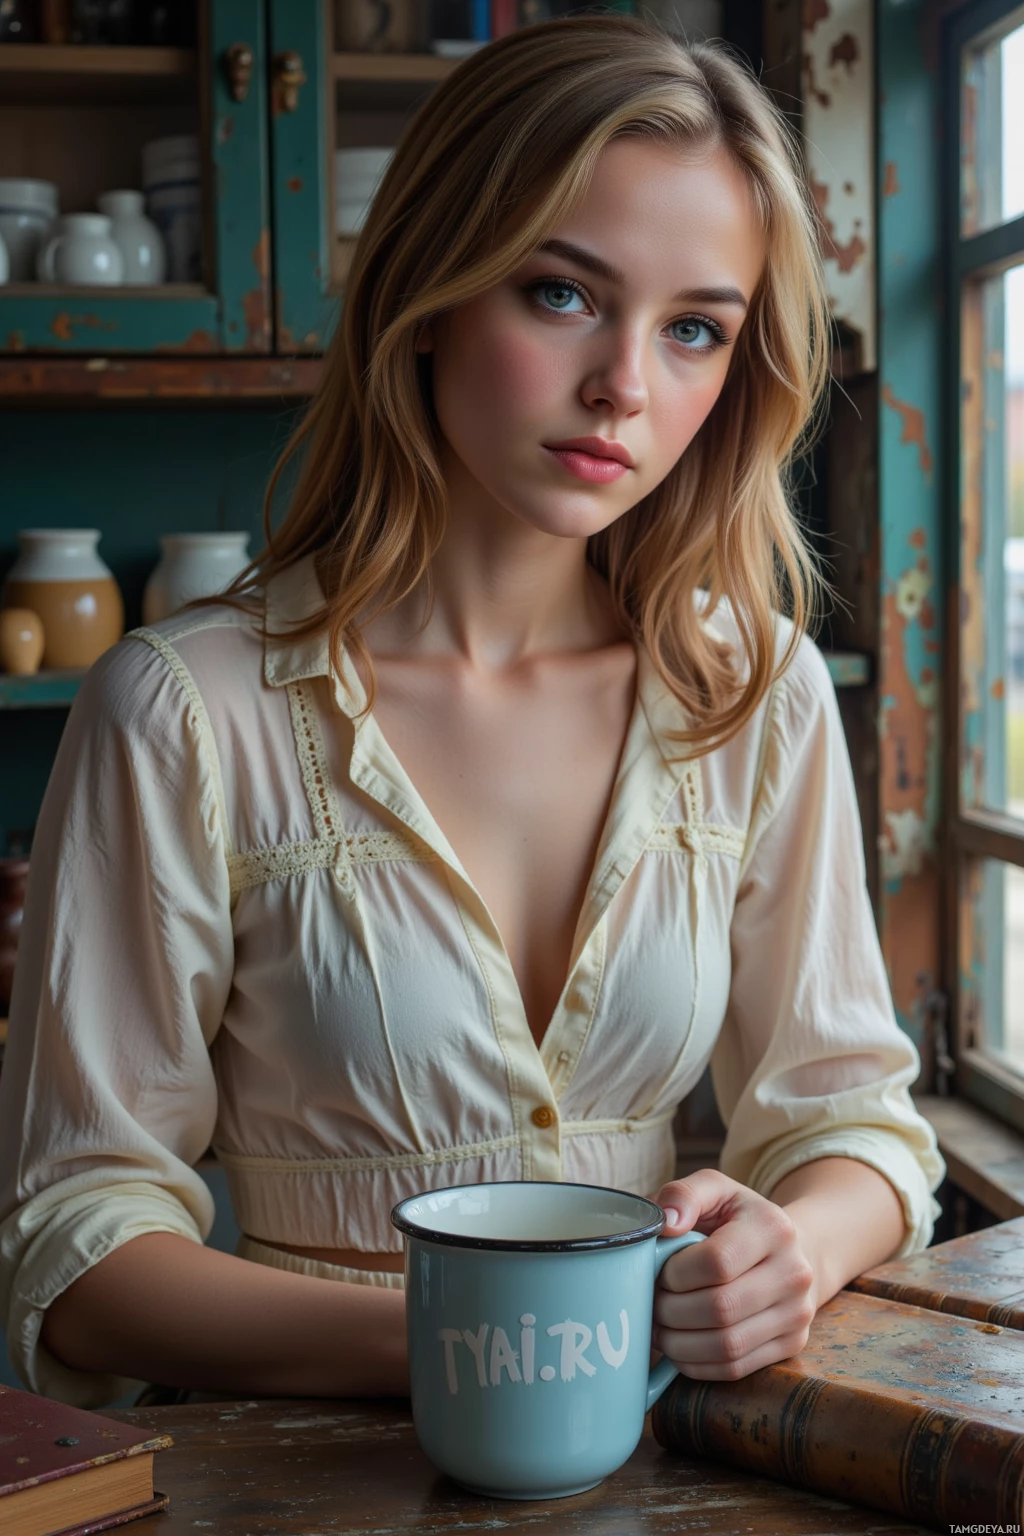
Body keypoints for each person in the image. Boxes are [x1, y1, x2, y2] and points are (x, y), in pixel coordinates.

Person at [0, 14, 944, 1411]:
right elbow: (73, 1254)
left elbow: (855, 1120)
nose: (627, 382)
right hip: (288, 1488)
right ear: (434, 291)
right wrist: (495, 1345)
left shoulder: (753, 693)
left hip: (665, 1481)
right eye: (562, 294)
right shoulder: (184, 710)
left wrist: (792, 1248)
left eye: (694, 330)